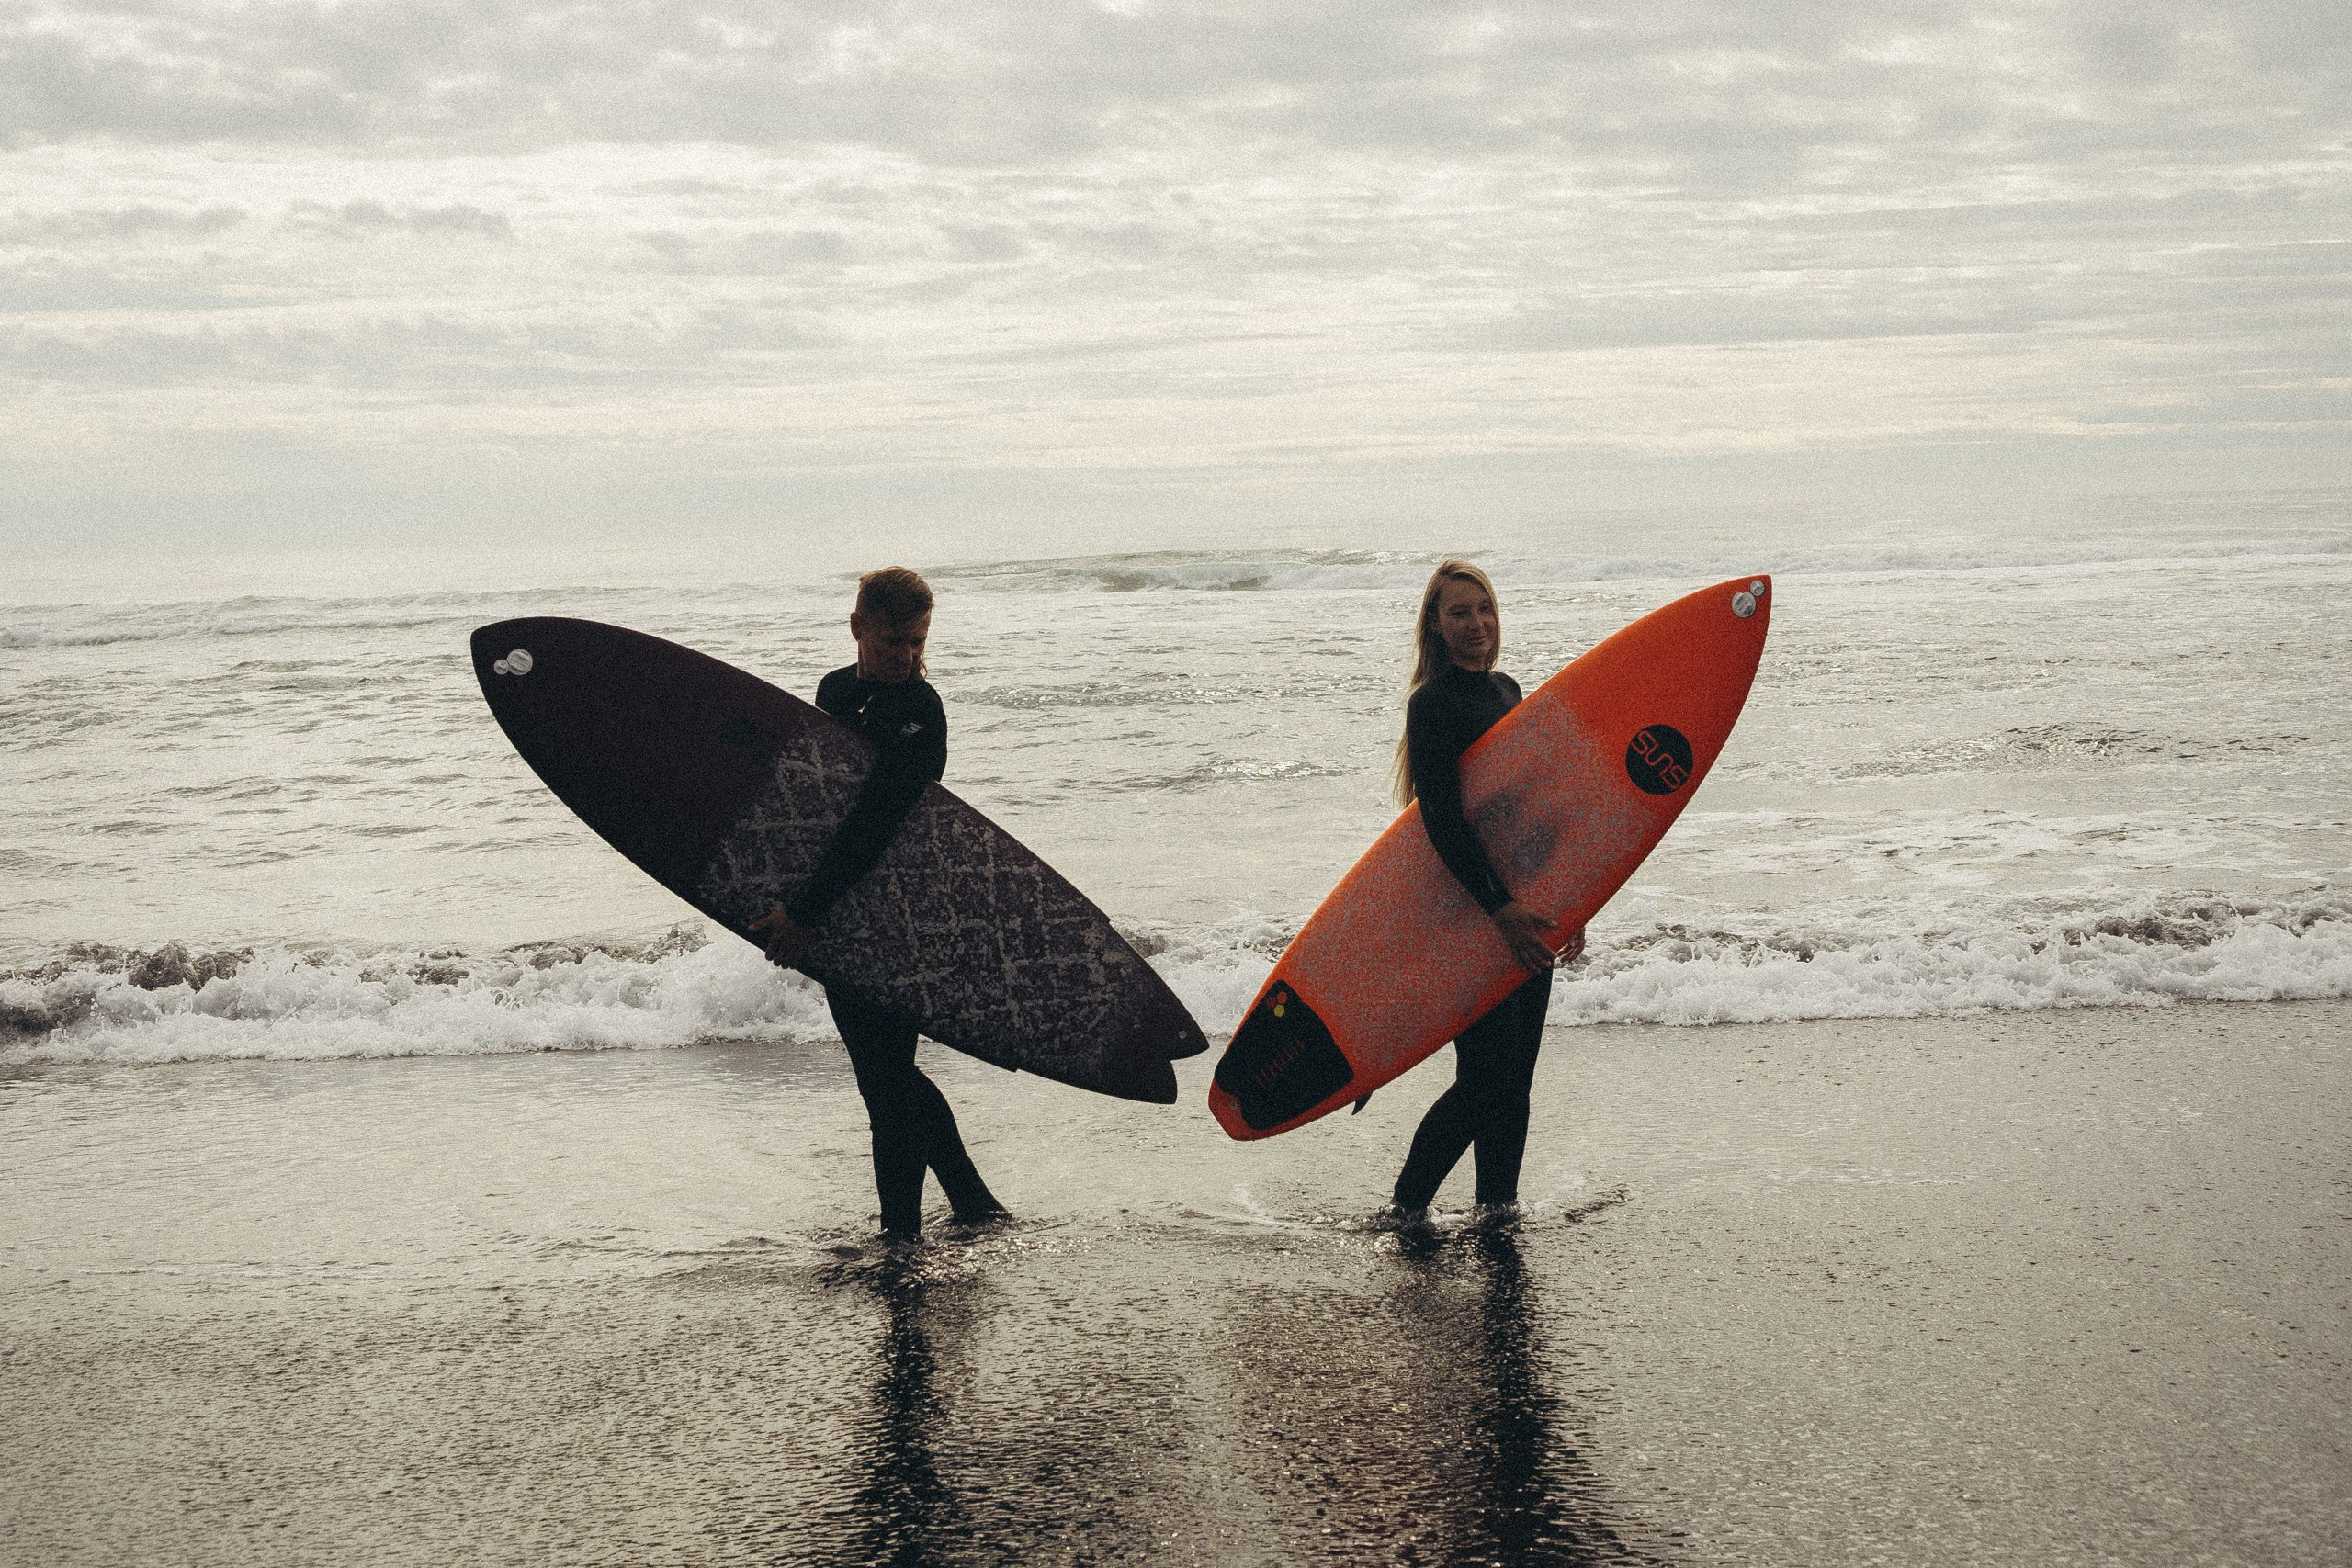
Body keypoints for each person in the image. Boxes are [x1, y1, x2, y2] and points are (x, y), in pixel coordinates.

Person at [750, 567, 1008, 1238]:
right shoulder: (834, 691)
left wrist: (804, 914)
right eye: (894, 641)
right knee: (883, 1076)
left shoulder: (923, 714)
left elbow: (874, 823)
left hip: (900, 915)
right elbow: (818, 814)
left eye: (918, 642)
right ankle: (971, 1203)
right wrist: (802, 903)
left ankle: (903, 1233)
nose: (908, 656)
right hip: (841, 911)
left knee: (887, 1077)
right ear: (858, 626)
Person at [1385, 559, 1585, 1223]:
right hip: (1472, 913)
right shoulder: (1433, 705)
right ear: (1435, 627)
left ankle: (1497, 1205)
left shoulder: (1508, 690)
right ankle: (1406, 1206)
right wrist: (1498, 908)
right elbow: (1443, 820)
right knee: (1483, 1081)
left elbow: (1531, 813)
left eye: (1485, 610)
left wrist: (1574, 899)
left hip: (1524, 909)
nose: (1477, 625)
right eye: (1459, 613)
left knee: (1514, 1081)